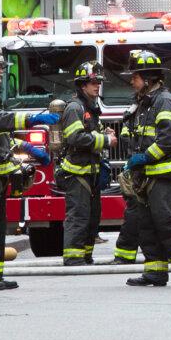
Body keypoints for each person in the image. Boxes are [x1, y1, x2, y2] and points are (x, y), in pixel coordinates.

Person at [0, 44, 60, 291]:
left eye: (1, 69)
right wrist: (32, 118)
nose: (0, 73)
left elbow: (1, 138)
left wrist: (28, 147)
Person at [121, 50, 171, 288]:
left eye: (135, 76)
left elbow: (169, 137)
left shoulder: (164, 101)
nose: (132, 81)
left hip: (162, 175)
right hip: (144, 176)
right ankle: (155, 271)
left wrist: (144, 157)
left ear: (148, 79)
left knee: (166, 221)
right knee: (147, 224)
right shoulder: (142, 103)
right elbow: (132, 132)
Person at [57, 61, 116, 266]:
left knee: (92, 218)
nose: (97, 85)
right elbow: (76, 137)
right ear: (83, 85)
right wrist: (106, 140)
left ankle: (86, 255)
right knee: (78, 217)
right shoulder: (75, 107)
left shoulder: (91, 107)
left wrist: (103, 133)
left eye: (99, 81)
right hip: (77, 175)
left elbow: (90, 133)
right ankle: (73, 258)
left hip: (92, 173)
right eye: (93, 82)